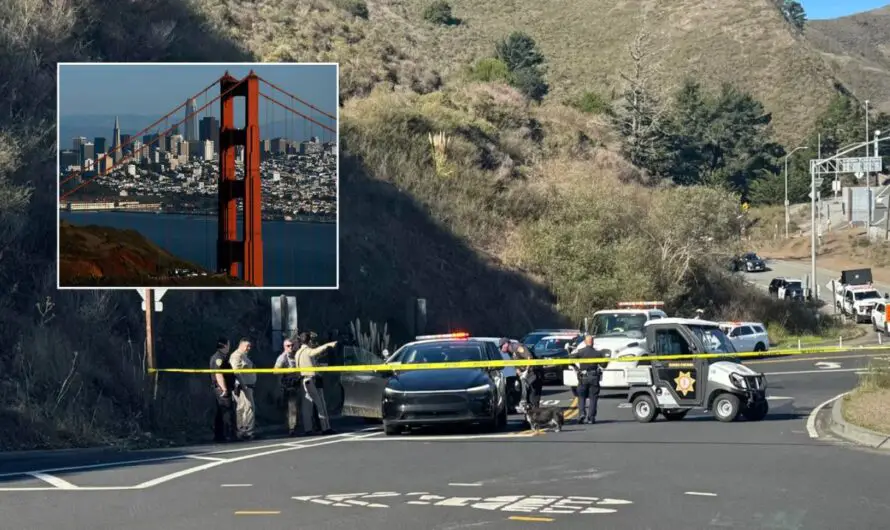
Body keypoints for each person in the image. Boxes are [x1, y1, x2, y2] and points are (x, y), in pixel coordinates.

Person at [295, 332, 338, 435]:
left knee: (307, 407)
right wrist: (328, 345)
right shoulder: (307, 351)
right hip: (311, 379)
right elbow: (315, 351)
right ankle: (325, 427)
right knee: (320, 404)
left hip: (303, 380)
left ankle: (308, 429)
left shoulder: (297, 353)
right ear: (309, 341)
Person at [570, 334, 602, 424]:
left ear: (584, 342)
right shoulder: (597, 353)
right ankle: (591, 417)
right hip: (594, 377)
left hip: (583, 377)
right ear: (593, 342)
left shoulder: (580, 352)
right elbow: (604, 364)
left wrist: (577, 369)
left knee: (581, 397)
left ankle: (581, 414)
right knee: (593, 398)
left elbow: (570, 359)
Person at [274, 337, 303, 436]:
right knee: (292, 407)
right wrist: (288, 371)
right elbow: (275, 370)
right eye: (288, 346)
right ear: (284, 347)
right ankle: (292, 428)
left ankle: (296, 425)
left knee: (297, 406)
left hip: (297, 384)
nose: (290, 347)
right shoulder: (282, 357)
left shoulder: (295, 355)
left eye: (292, 345)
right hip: (288, 386)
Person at [209, 338, 237, 442]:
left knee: (221, 412)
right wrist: (224, 389)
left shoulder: (222, 357)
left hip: (221, 388)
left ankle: (219, 435)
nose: (229, 346)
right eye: (228, 344)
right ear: (225, 345)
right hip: (221, 389)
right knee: (226, 412)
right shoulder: (218, 358)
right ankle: (228, 435)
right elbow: (218, 374)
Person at [229, 338, 257, 440]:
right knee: (246, 408)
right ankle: (245, 431)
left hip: (248, 386)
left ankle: (245, 431)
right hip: (242, 387)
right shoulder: (236, 356)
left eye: (250, 346)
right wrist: (243, 385)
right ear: (241, 345)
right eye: (247, 346)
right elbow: (236, 372)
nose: (249, 348)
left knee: (247, 408)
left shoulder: (244, 356)